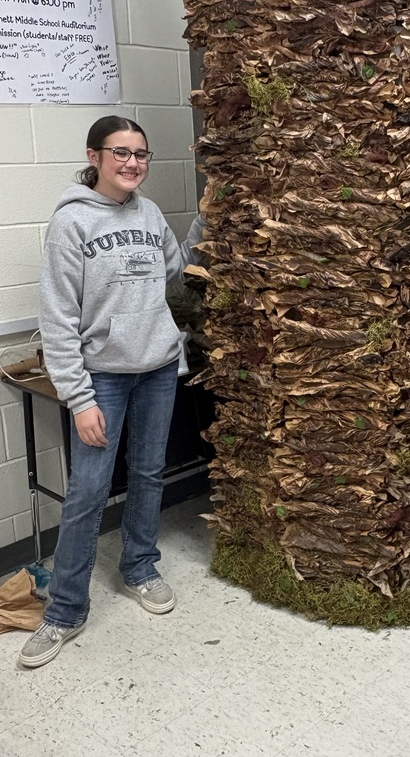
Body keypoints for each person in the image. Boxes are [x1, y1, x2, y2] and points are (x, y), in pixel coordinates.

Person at [19, 116, 206, 669]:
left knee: (148, 472)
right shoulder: (72, 222)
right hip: (103, 377)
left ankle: (140, 567)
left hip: (157, 369)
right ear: (94, 157)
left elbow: (177, 279)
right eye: (120, 152)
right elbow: (57, 318)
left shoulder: (149, 214)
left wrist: (204, 219)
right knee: (88, 490)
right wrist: (80, 399)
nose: (132, 163)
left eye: (141, 154)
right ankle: (65, 610)